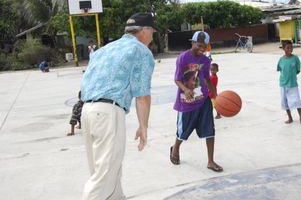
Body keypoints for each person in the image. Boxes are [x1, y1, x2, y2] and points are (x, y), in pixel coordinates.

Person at [80, 12, 156, 200]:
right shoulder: (140, 51)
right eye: (153, 32)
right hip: (108, 113)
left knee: (108, 173)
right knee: (103, 180)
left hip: (87, 111)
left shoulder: (103, 50)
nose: (153, 37)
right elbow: (142, 96)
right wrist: (143, 126)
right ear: (144, 31)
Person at [170, 31, 223, 172]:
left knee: (209, 130)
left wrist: (216, 96)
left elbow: (206, 78)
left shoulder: (205, 61)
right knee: (183, 132)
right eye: (199, 45)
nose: (202, 49)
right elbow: (177, 79)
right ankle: (175, 148)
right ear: (192, 43)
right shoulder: (183, 58)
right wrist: (185, 90)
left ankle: (210, 161)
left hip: (203, 100)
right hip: (186, 101)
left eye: (205, 46)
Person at [277, 40, 301, 126]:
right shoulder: (281, 60)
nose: (290, 49)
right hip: (283, 85)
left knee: (297, 101)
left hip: (293, 84)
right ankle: (290, 118)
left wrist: (292, 76)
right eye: (288, 48)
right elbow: (280, 70)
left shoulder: (295, 58)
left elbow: (298, 70)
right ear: (283, 49)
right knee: (285, 102)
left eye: (291, 47)